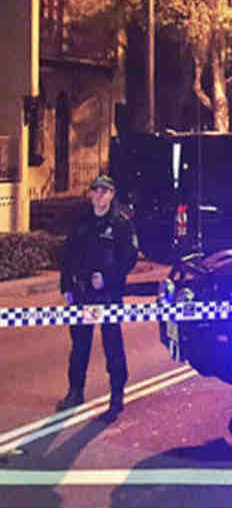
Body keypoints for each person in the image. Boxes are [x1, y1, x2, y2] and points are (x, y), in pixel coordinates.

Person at [57, 175, 139, 422]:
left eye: (106, 191)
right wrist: (67, 287)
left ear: (112, 194)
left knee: (112, 345)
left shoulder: (121, 224)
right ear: (91, 194)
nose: (101, 195)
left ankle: (116, 396)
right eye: (96, 190)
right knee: (79, 345)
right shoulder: (81, 221)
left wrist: (108, 278)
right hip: (83, 294)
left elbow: (129, 259)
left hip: (109, 295)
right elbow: (68, 255)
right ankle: (75, 392)